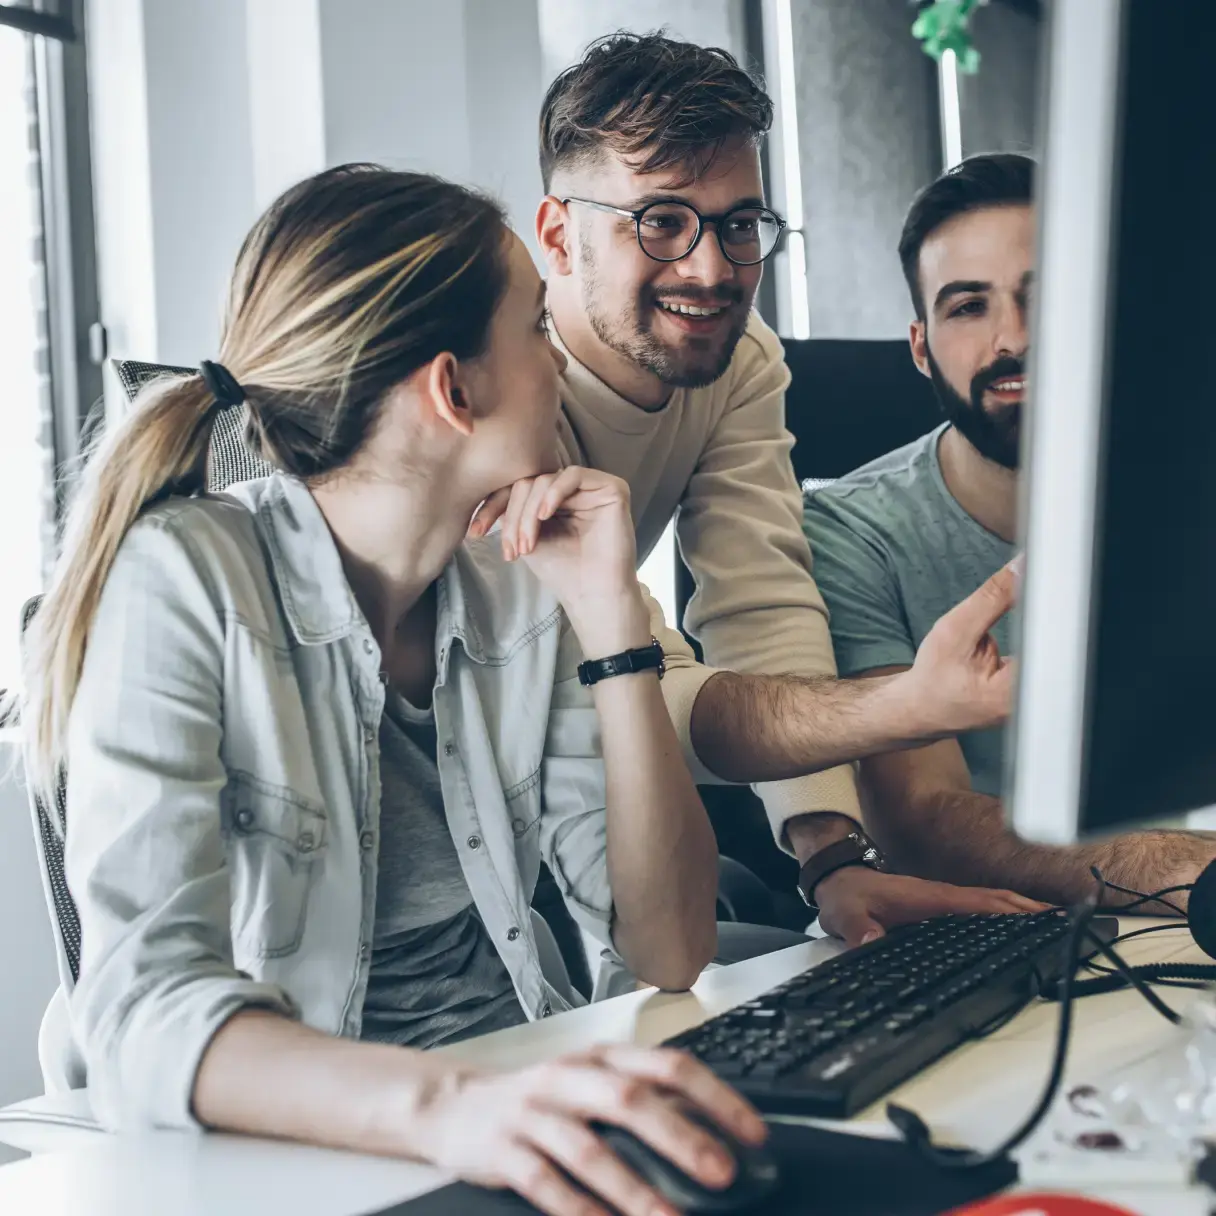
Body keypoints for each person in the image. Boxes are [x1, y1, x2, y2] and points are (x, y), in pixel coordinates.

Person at [20, 164, 770, 1216]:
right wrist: (454, 1105)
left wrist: (612, 619)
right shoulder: (183, 579)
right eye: (536, 335)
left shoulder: (519, 584)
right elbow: (145, 1010)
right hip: (282, 1153)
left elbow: (668, 946)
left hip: (500, 1102)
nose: (559, 365)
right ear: (452, 390)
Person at [537, 33, 1038, 944]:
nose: (711, 269)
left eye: (739, 224)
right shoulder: (504, 392)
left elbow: (759, 606)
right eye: (660, 219)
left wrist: (831, 859)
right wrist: (903, 706)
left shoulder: (740, 356)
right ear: (559, 234)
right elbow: (638, 683)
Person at [802, 152, 1216, 909]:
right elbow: (923, 819)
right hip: (1015, 937)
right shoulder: (852, 531)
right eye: (968, 307)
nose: (1013, 339)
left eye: (1044, 297)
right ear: (921, 345)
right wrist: (1187, 870)